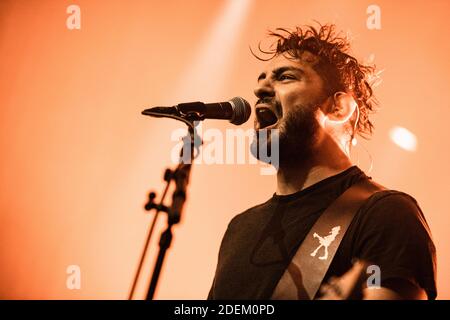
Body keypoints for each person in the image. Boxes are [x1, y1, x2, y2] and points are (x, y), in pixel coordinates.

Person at [208, 24, 437, 300]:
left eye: (286, 77)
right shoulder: (239, 229)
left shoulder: (384, 214)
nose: (260, 89)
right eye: (261, 79)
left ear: (338, 107)